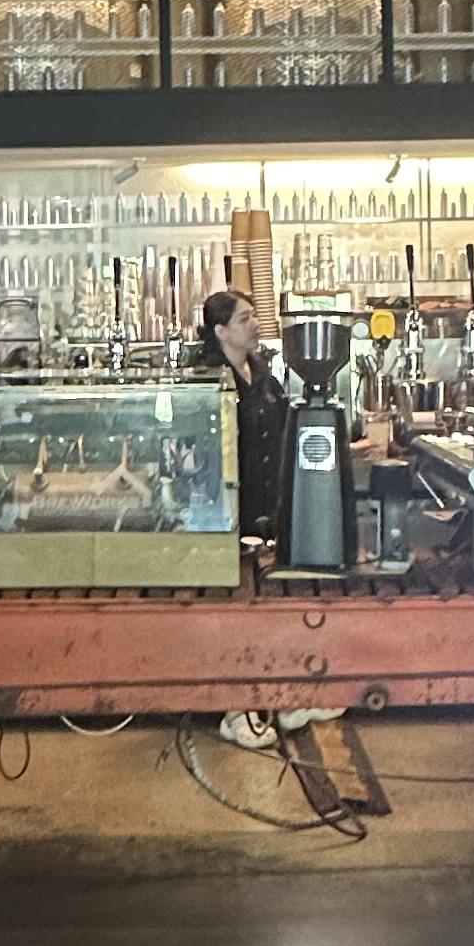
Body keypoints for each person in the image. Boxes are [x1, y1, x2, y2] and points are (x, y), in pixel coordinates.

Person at [197, 288, 291, 755]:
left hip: (265, 511)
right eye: (244, 319)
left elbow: (284, 428)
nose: (254, 325)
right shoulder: (208, 381)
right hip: (226, 514)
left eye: (254, 317)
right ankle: (237, 712)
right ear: (221, 331)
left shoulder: (263, 374)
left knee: (272, 607)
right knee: (235, 613)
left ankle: (281, 700)